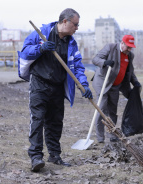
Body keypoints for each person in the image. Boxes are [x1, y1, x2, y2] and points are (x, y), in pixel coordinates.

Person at [18, 8, 93, 172]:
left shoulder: (71, 43)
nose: (77, 28)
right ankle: (36, 157)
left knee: (55, 122)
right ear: (65, 21)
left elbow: (78, 67)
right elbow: (25, 52)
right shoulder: (42, 33)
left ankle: (54, 155)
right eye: (75, 24)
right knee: (37, 119)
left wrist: (84, 85)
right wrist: (41, 48)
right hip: (39, 82)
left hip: (57, 86)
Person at [92, 35, 141, 143]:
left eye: (131, 47)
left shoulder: (130, 55)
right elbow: (95, 59)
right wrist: (104, 63)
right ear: (122, 43)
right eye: (128, 47)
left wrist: (135, 82)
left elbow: (130, 72)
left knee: (113, 111)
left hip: (116, 85)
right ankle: (100, 138)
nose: (129, 49)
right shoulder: (111, 47)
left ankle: (112, 135)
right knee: (102, 110)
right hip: (102, 83)